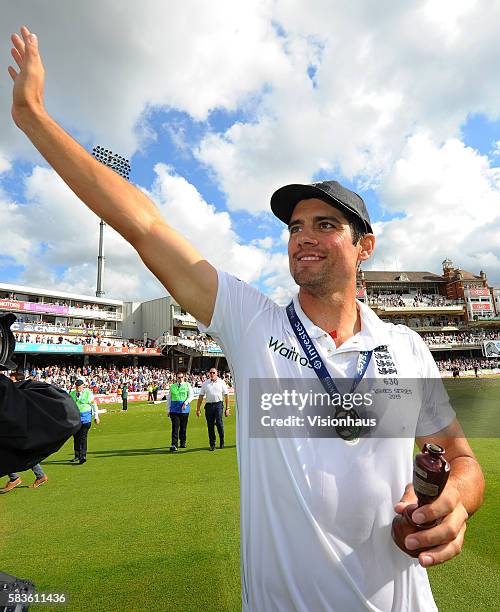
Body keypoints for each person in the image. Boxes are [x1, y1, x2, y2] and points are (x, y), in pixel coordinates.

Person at [7, 27, 484, 611]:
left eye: (325, 225)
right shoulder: (252, 323)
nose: (303, 237)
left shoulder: (407, 347)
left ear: (365, 247)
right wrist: (33, 115)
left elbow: (462, 460)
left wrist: (454, 499)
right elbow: (145, 225)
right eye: (294, 227)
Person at [196, 368, 230, 450]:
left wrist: (227, 408)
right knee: (210, 425)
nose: (212, 374)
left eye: (213, 372)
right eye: (210, 373)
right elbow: (200, 397)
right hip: (209, 406)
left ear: (216, 373)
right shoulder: (205, 383)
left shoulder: (221, 382)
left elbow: (226, 395)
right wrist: (198, 409)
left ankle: (222, 440)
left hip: (218, 404)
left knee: (219, 423)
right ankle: (212, 443)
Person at [69, 379, 100, 464]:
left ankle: (82, 456)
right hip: (75, 419)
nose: (78, 388)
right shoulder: (72, 394)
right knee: (76, 437)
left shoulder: (88, 393)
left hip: (85, 419)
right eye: (77, 386)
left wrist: (96, 416)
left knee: (83, 437)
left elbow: (94, 405)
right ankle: (77, 455)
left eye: (79, 386)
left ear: (83, 386)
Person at [167, 371, 194, 452]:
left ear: (184, 377)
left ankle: (183, 441)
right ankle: (174, 444)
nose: (180, 379)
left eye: (182, 377)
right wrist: (168, 409)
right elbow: (169, 399)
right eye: (178, 377)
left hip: (184, 410)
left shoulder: (187, 385)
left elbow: (191, 395)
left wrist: (186, 403)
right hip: (174, 410)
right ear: (176, 378)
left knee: (183, 427)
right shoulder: (172, 386)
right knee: (175, 427)